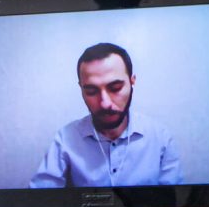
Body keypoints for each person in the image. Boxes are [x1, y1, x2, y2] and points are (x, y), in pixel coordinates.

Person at [29, 42, 182, 188]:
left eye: (115, 88)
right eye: (91, 91)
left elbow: (176, 203)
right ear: (81, 89)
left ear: (132, 81)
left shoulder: (159, 137)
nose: (105, 103)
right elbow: (38, 198)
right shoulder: (65, 138)